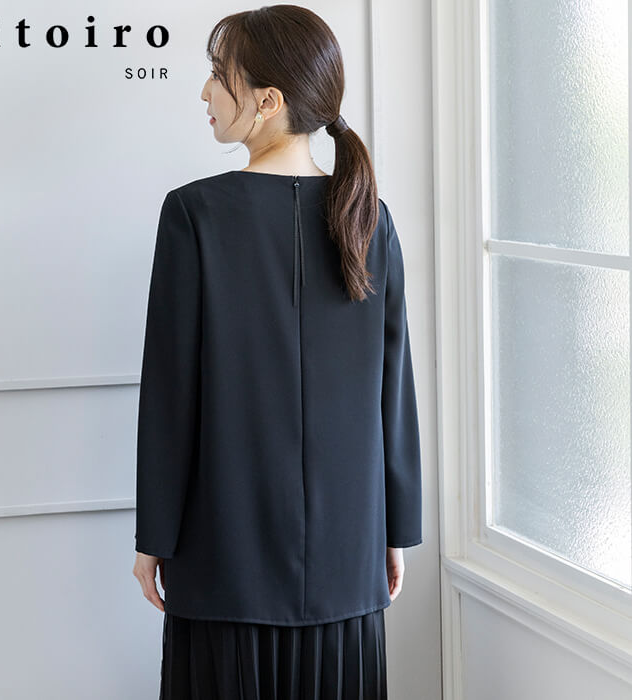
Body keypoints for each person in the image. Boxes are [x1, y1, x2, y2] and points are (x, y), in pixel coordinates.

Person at [132, 5, 422, 698]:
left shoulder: (194, 214)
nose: (205, 92)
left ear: (266, 101)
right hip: (348, 556)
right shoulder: (368, 217)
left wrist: (154, 539)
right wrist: (395, 530)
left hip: (223, 558)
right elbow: (394, 389)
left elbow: (172, 395)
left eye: (218, 75)